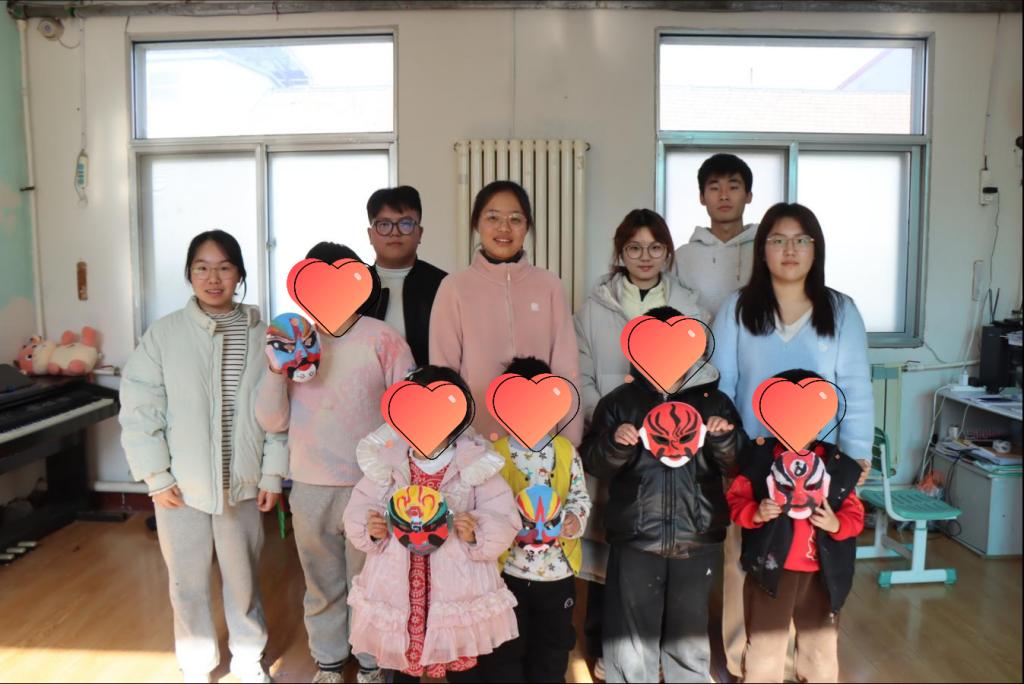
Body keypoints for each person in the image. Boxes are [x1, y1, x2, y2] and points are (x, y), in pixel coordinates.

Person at [711, 202, 874, 680]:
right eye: (778, 240)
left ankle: (809, 663)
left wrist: (857, 456)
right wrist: (729, 456)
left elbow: (855, 388)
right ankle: (747, 663)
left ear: (816, 249)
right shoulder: (738, 308)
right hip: (754, 460)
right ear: (762, 249)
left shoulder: (841, 310)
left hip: (821, 463)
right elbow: (723, 386)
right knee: (747, 560)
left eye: (802, 240)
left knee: (814, 562)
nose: (790, 250)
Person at [120, 230, 286, 684]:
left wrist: (272, 474)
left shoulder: (265, 335)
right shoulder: (164, 334)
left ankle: (248, 659)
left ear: (240, 274)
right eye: (202, 268)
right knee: (186, 583)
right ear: (189, 274)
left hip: (243, 483)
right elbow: (140, 409)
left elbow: (279, 411)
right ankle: (195, 664)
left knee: (243, 579)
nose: (213, 278)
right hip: (181, 488)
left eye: (224, 267)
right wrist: (155, 475)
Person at [256, 242, 415, 684]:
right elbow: (272, 419)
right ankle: (328, 661)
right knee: (321, 581)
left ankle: (370, 663)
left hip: (372, 486)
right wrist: (275, 369)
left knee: (369, 582)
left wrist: (398, 478)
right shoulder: (292, 341)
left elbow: (407, 414)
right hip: (310, 485)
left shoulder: (383, 339)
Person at [581, 306, 744, 683]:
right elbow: (594, 462)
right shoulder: (620, 402)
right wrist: (615, 444)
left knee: (688, 639)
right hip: (636, 537)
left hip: (697, 535)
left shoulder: (715, 402)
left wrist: (724, 439)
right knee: (631, 641)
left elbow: (738, 463)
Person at [573, 208, 703, 678]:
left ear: (667, 252)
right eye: (634, 247)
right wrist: (611, 421)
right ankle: (606, 650)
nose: (644, 257)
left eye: (654, 247)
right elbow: (582, 373)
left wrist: (671, 430)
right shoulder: (595, 307)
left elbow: (701, 373)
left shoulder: (691, 306)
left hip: (674, 451)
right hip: (615, 439)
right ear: (620, 252)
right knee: (611, 542)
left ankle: (667, 654)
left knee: (665, 556)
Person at [343, 365, 520, 682]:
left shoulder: (474, 464)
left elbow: (504, 515)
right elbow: (360, 506)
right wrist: (371, 528)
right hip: (398, 585)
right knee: (402, 663)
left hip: (457, 587)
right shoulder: (389, 464)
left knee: (462, 665)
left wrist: (476, 531)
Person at [726, 369, 865, 683]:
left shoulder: (837, 465)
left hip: (823, 576)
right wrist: (756, 513)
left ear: (821, 420)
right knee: (765, 648)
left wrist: (836, 523)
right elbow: (735, 501)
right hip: (770, 572)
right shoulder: (759, 459)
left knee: (820, 651)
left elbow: (855, 514)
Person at [429, 180, 582, 446]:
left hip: (541, 442)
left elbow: (566, 369)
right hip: (474, 443)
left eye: (515, 219)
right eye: (493, 217)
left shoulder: (550, 286)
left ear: (527, 226)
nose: (504, 228)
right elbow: (444, 372)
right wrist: (450, 445)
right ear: (476, 223)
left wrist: (568, 444)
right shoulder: (454, 287)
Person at [475, 356, 592, 683]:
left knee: (552, 648)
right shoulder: (494, 455)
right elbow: (482, 507)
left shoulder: (566, 451)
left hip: (557, 573)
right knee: (506, 648)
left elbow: (580, 497)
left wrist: (574, 519)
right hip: (508, 572)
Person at [363, 186, 448, 367]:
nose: (395, 232)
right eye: (384, 224)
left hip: (428, 384)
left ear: (420, 233)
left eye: (406, 223)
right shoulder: (354, 288)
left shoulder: (444, 286)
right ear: (370, 234)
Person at [674, 153, 758, 321]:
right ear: (702, 197)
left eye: (733, 187)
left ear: (749, 195)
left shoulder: (766, 251)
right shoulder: (682, 257)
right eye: (714, 188)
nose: (724, 196)